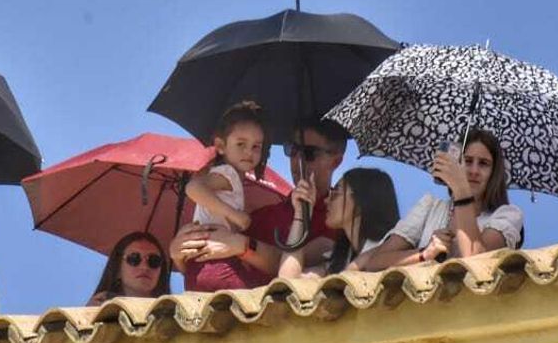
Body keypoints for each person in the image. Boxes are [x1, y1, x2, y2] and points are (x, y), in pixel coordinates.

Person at [170, 118, 344, 292]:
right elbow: (216, 261)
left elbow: (289, 269)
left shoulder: (338, 221)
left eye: (308, 153)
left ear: (335, 161)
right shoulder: (263, 214)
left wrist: (244, 246)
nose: (297, 159)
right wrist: (180, 253)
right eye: (292, 150)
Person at [357, 128, 524, 271]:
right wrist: (424, 253)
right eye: (467, 161)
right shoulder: (430, 206)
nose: (473, 170)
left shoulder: (507, 215)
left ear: (494, 173)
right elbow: (375, 263)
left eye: (483, 163)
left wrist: (461, 190)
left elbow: (476, 260)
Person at [278, 168, 400, 278]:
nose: (326, 200)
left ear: (360, 201)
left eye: (335, 193)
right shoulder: (341, 258)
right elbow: (289, 281)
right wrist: (302, 214)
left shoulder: (388, 252)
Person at [183, 101, 268, 232]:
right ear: (221, 146)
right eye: (241, 144)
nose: (249, 152)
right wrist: (233, 214)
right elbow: (193, 188)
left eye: (256, 146)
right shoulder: (228, 173)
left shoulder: (232, 177)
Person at [86, 232, 172, 306]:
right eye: (134, 259)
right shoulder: (98, 310)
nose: (144, 267)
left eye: (154, 261)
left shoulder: (175, 315)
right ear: (118, 270)